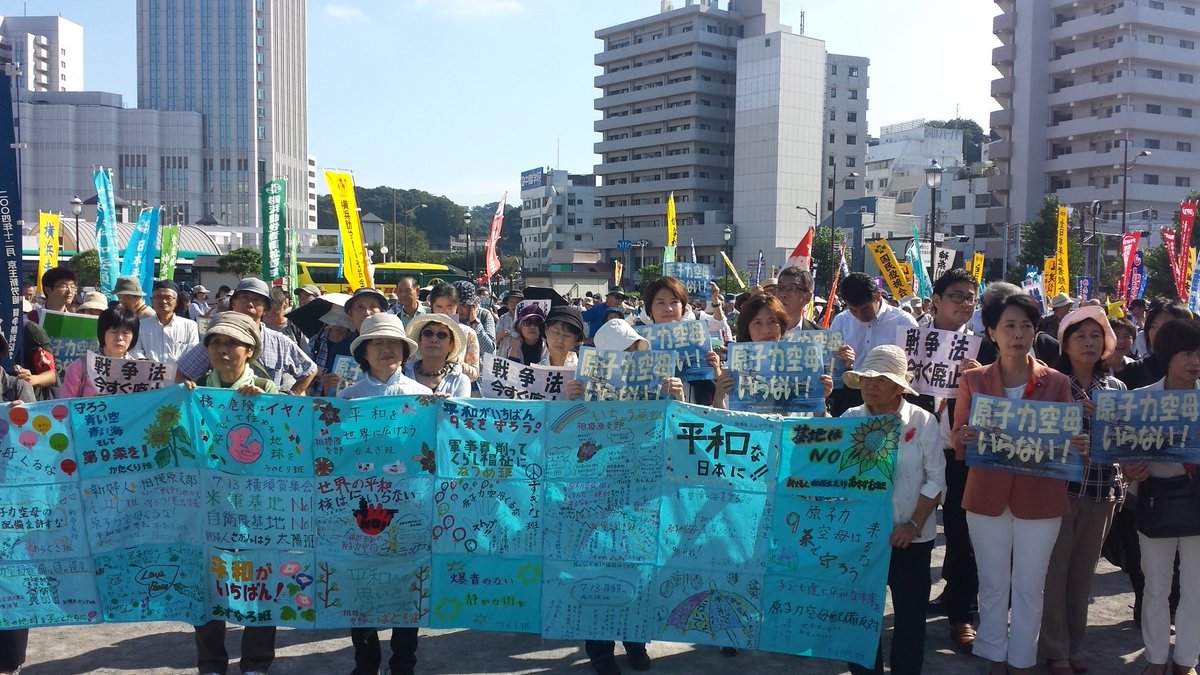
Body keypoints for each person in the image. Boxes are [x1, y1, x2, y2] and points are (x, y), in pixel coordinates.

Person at [953, 293, 1089, 675]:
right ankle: (994, 653)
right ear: (992, 333)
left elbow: (1067, 441)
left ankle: (1022, 659)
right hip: (986, 495)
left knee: (1030, 586)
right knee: (993, 584)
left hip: (1040, 498)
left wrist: (1078, 445)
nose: (1019, 334)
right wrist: (963, 437)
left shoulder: (1058, 382)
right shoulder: (973, 379)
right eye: (1009, 326)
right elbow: (957, 436)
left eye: (1027, 326)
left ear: (1036, 331)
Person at [184, 311, 278, 675]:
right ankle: (210, 663)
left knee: (258, 579)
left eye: (231, 343)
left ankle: (256, 662)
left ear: (250, 350)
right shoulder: (191, 392)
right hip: (206, 504)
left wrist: (265, 410)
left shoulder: (269, 393)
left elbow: (285, 445)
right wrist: (182, 403)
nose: (222, 349)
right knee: (207, 581)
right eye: (215, 342)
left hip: (256, 504)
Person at [841, 345, 944, 675]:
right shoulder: (849, 420)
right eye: (866, 377)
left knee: (911, 615)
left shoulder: (924, 421)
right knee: (858, 615)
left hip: (910, 538)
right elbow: (832, 475)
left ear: (900, 386)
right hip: (860, 539)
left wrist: (913, 524)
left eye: (881, 379)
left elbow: (935, 480)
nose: (871, 385)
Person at [339, 313, 430, 675]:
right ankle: (366, 661)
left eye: (394, 343)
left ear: (405, 352)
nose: (387, 349)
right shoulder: (347, 398)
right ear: (364, 352)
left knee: (408, 583)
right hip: (358, 508)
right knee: (360, 583)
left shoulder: (423, 396)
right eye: (377, 343)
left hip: (410, 507)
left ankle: (404, 661)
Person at [1038, 306, 1126, 675]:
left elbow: (1129, 442)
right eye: (1080, 336)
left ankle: (1075, 645)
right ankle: (1055, 650)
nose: (1089, 343)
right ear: (1065, 343)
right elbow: (1039, 435)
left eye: (1096, 336)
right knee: (1055, 572)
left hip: (1103, 490)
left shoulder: (1117, 388)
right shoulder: (1053, 383)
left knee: (1083, 572)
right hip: (1061, 488)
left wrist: (1107, 422)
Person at [1122, 318, 1200, 675]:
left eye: (1199, 352)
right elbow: (1121, 452)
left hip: (1197, 502)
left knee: (1195, 589)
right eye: (1186, 352)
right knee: (1156, 586)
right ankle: (1155, 658)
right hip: (1155, 502)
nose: (1194, 360)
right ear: (1167, 356)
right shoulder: (1140, 401)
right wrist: (1130, 470)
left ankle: (1185, 660)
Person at [921, 268, 985, 650]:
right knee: (913, 526)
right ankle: (916, 598)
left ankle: (962, 613)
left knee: (963, 535)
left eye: (970, 297)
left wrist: (983, 377)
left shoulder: (983, 348)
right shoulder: (913, 342)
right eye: (957, 295)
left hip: (962, 454)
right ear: (937, 300)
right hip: (921, 448)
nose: (965, 303)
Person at [175, 278, 317, 395]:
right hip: (218, 421)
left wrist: (286, 397)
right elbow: (182, 372)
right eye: (243, 298)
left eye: (256, 299)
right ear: (233, 303)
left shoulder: (280, 342)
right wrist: (190, 393)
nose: (249, 304)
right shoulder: (217, 339)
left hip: (263, 420)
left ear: (266, 308)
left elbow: (309, 370)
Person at [709, 293, 832, 411]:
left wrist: (819, 399)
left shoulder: (801, 365)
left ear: (782, 324)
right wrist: (719, 395)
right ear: (747, 328)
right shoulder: (733, 369)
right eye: (758, 323)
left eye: (772, 321)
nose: (766, 330)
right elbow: (724, 423)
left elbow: (816, 423)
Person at [828, 272, 918, 416]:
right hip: (849, 394)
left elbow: (912, 368)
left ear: (878, 296)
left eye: (865, 309)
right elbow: (831, 367)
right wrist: (844, 364)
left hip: (889, 398)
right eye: (853, 311)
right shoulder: (841, 321)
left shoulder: (904, 322)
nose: (860, 316)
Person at [0, 332, 37, 675]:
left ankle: (11, 663)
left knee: (12, 579)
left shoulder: (16, 389)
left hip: (12, 502)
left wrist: (22, 417)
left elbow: (37, 443)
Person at [635, 276, 721, 405]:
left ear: (683, 307)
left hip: (694, 418)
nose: (668, 308)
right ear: (650, 311)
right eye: (660, 303)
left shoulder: (698, 344)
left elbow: (719, 405)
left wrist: (716, 373)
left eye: (674, 302)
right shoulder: (637, 345)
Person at [57, 306, 140, 398]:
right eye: (113, 331)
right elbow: (66, 403)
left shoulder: (141, 370)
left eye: (126, 333)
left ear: (134, 336)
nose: (120, 338)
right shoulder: (81, 366)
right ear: (102, 333)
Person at [1121, 302, 1193, 390]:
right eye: (1153, 326)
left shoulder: (1194, 369)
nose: (1158, 332)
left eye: (1167, 326)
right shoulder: (1133, 371)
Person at [134, 280, 199, 367]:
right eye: (158, 297)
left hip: (179, 377)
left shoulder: (190, 326)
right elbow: (136, 351)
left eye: (168, 298)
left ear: (176, 301)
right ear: (152, 300)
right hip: (149, 376)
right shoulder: (140, 325)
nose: (164, 301)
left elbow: (192, 355)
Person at [405, 313, 471, 397]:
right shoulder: (402, 373)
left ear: (451, 345)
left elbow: (461, 409)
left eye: (442, 335)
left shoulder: (459, 381)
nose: (434, 339)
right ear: (419, 341)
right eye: (428, 333)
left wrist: (450, 404)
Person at [426, 283, 480, 381]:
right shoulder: (422, 330)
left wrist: (454, 360)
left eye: (449, 307)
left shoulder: (468, 333)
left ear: (456, 306)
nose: (444, 312)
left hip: (456, 389)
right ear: (432, 307)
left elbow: (474, 373)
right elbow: (412, 362)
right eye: (439, 307)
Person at [775, 266, 819, 331]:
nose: (783, 294)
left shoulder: (819, 336)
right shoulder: (758, 333)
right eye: (780, 287)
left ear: (807, 297)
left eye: (791, 289)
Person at [495, 289, 523, 356]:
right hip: (504, 356)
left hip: (521, 356)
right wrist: (500, 335)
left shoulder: (526, 319)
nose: (514, 305)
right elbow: (494, 340)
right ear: (507, 304)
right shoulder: (503, 318)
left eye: (517, 302)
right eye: (511, 302)